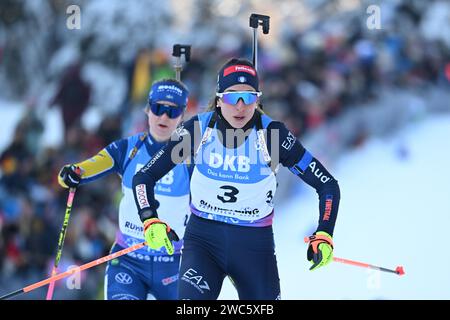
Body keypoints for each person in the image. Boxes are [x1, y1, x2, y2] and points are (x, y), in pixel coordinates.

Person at [132, 58, 341, 300]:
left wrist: (325, 232)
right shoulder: (197, 130)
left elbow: (327, 185)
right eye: (232, 97)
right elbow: (144, 177)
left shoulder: (272, 135)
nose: (240, 107)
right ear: (219, 100)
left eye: (249, 97)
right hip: (203, 242)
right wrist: (150, 219)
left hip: (254, 246)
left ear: (258, 100)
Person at [57, 79, 191, 300]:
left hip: (173, 263)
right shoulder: (129, 148)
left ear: (182, 116)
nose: (164, 117)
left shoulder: (191, 156)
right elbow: (88, 166)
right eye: (158, 108)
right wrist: (71, 173)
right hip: (128, 260)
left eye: (172, 111)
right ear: (148, 109)